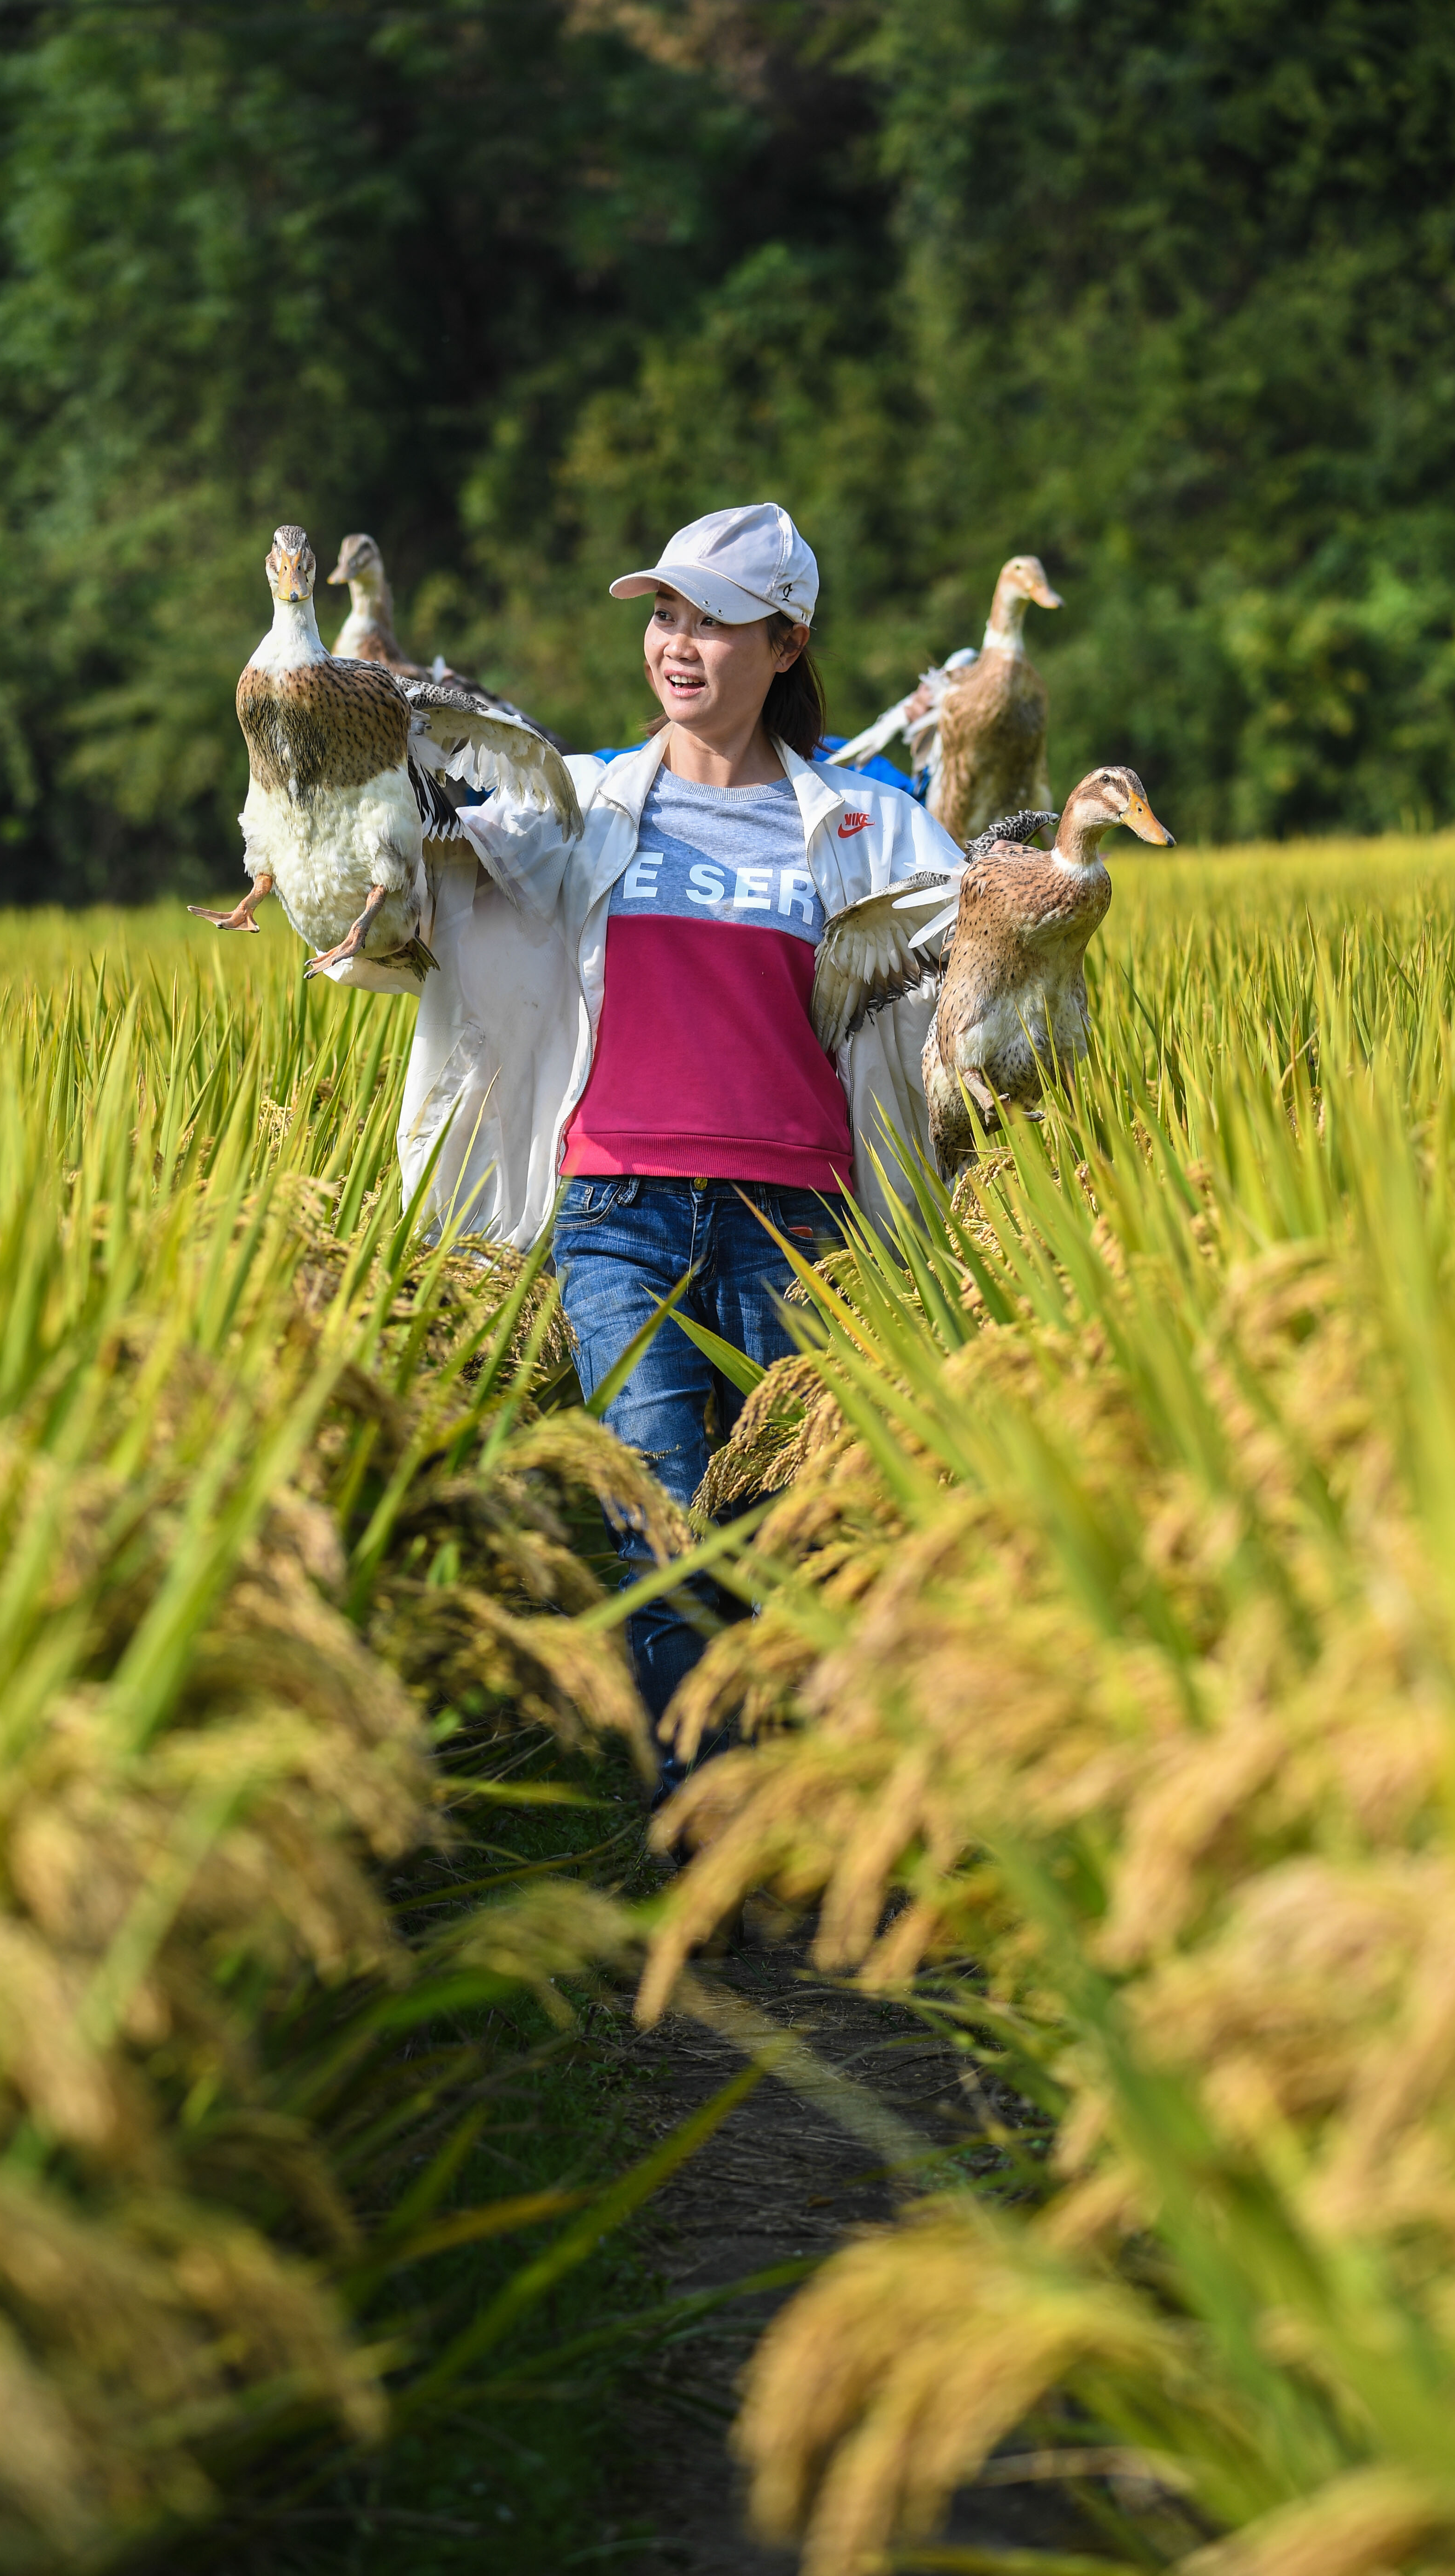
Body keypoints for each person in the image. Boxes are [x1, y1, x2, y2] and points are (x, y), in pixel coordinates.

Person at [333, 505, 964, 1794]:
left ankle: (800, 1809)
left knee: (789, 1526)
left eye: (713, 622)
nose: (678, 645)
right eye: (664, 616)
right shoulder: (582, 804)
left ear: (785, 645)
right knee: (660, 1524)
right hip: (617, 1205)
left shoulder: (873, 825)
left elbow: (972, 985)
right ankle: (700, 1835)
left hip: (803, 1219)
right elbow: (426, 853)